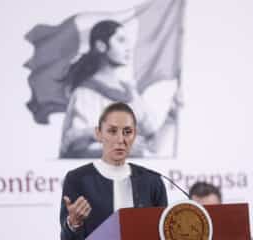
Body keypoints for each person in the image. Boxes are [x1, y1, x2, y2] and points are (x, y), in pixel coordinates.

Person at [59, 19, 180, 158]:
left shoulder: (131, 94)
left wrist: (171, 117)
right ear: (101, 46)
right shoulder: (85, 93)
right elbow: (76, 146)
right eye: (121, 40)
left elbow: (152, 146)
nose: (128, 48)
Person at [59, 102, 168, 240]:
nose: (120, 139)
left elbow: (164, 233)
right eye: (112, 131)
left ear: (135, 135)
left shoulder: (152, 181)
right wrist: (73, 223)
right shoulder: (77, 179)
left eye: (127, 132)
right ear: (98, 134)